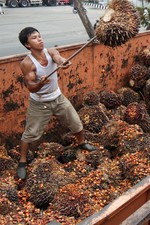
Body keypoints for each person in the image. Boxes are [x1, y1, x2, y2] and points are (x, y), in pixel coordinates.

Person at [16, 27, 96, 180]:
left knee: (76, 122)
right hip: (40, 103)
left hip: (58, 98)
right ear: (27, 45)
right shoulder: (27, 63)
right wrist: (40, 84)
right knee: (30, 133)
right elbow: (31, 87)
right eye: (34, 38)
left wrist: (63, 62)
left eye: (39, 36)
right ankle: (22, 161)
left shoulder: (50, 51)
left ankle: (82, 143)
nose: (39, 39)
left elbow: (58, 58)